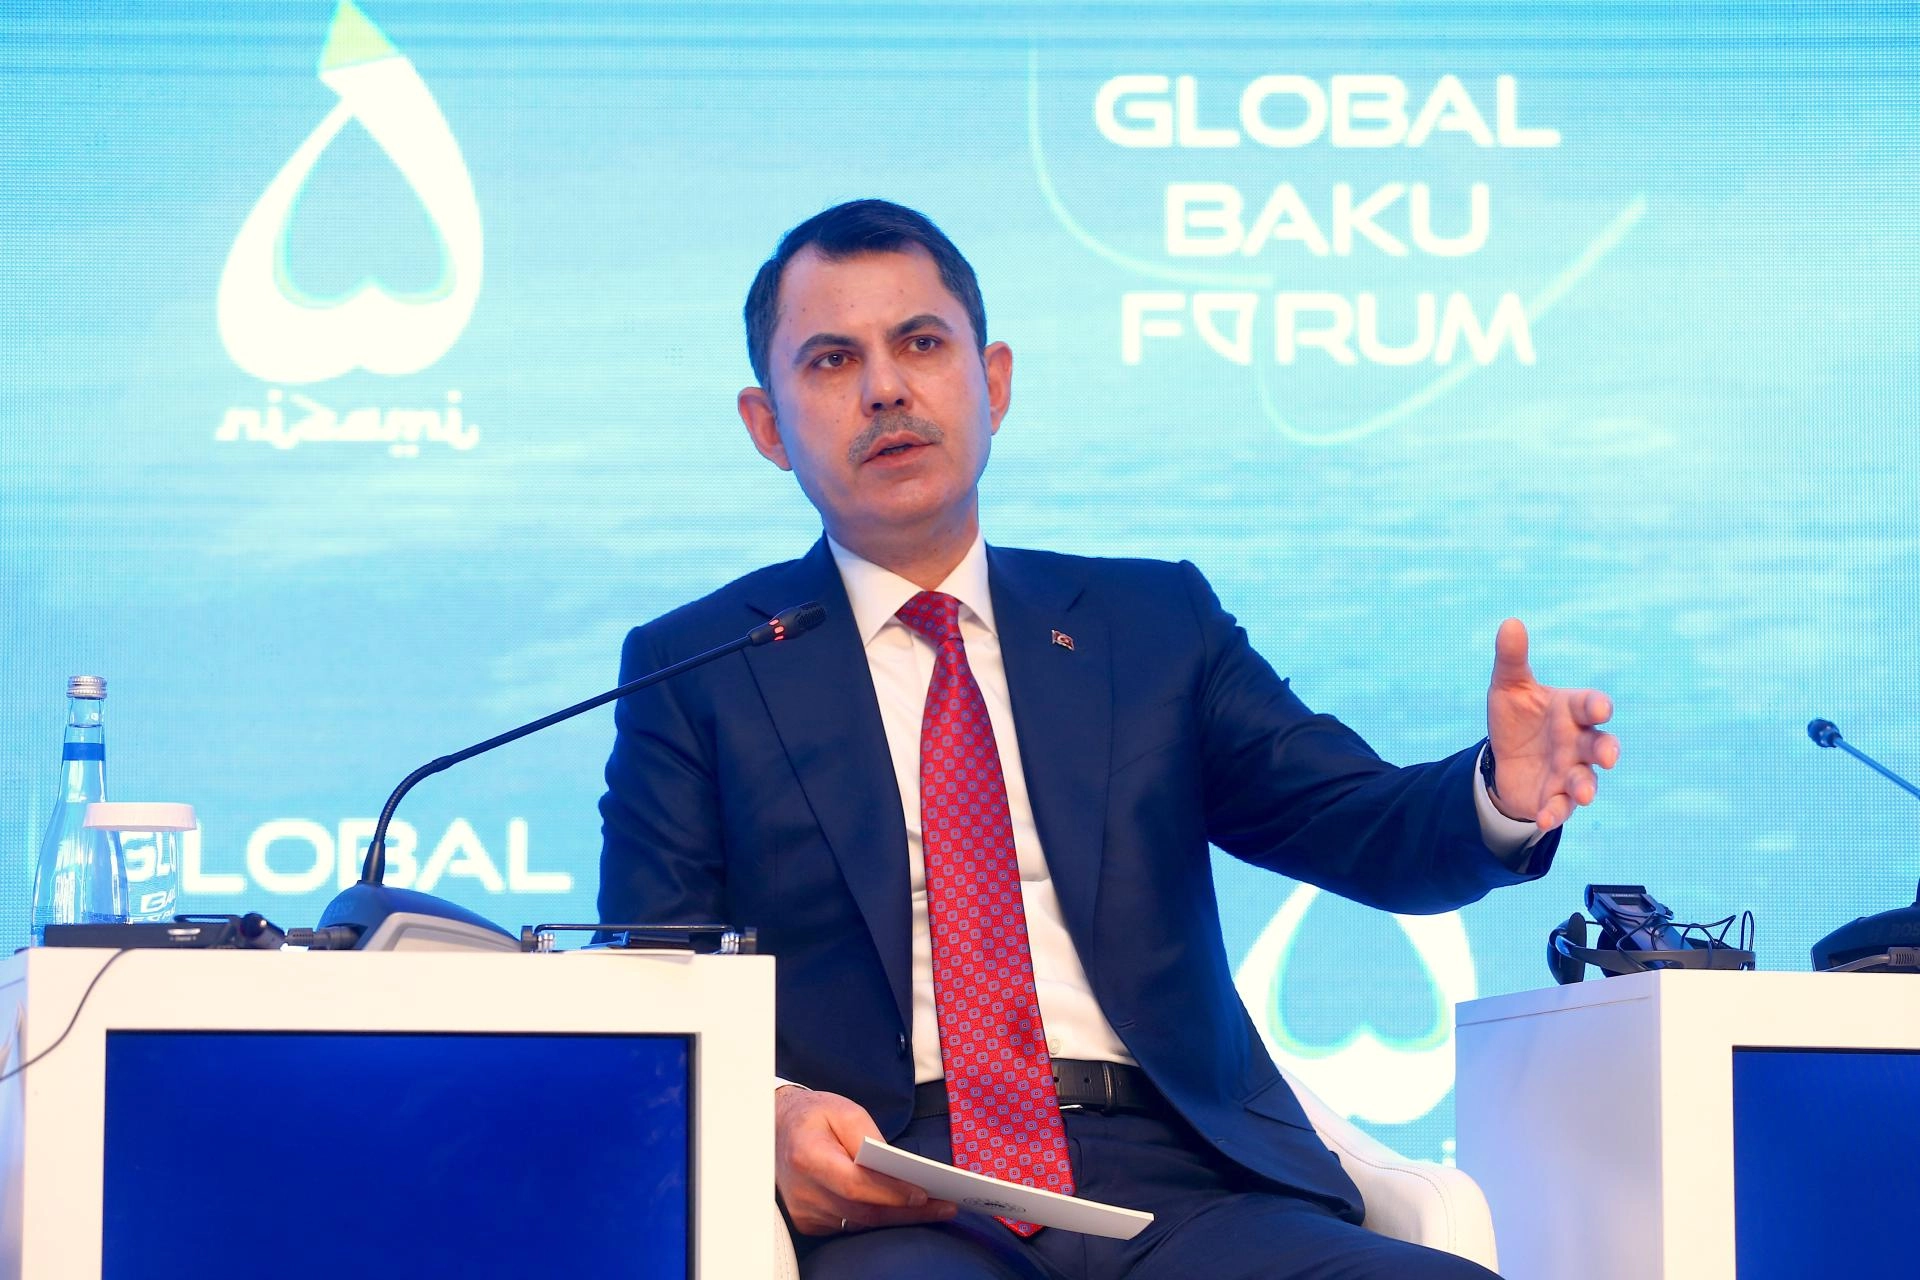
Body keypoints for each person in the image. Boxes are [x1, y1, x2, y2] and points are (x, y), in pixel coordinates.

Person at [598, 199, 1619, 1280]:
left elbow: (1352, 819)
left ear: (993, 381)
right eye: (833, 359)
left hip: (1182, 1181)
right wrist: (769, 1114)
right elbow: (648, 981)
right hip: (896, 1193)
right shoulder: (699, 668)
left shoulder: (1150, 624)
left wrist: (1497, 793)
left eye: (922, 344)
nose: (886, 387)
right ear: (767, 425)